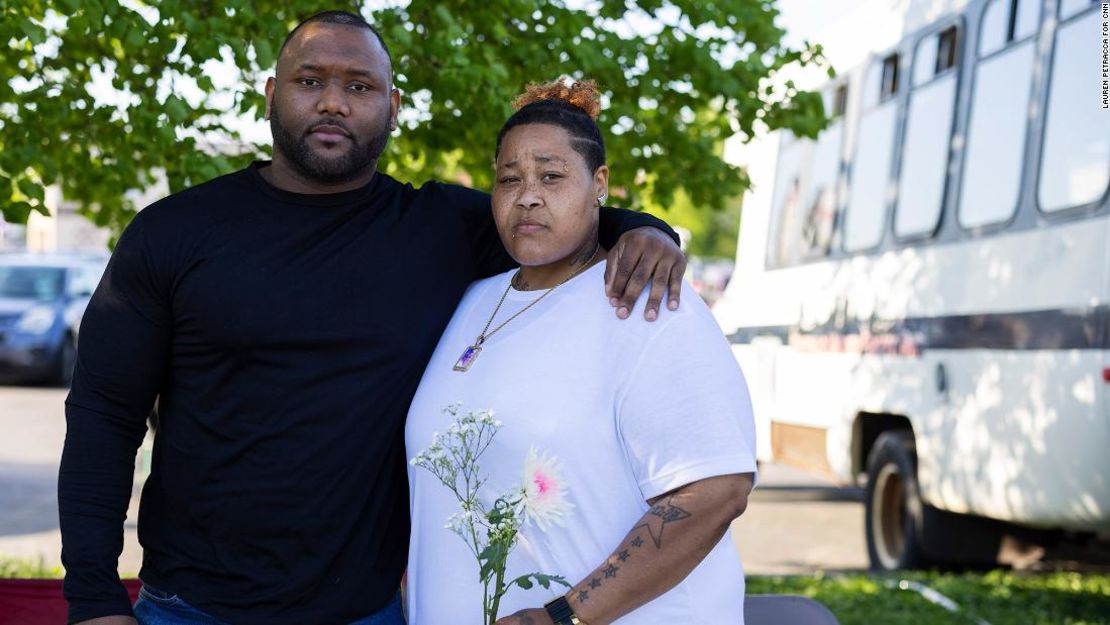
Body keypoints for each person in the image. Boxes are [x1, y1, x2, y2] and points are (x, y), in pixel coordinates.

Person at [58, 12, 686, 625]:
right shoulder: (173, 232)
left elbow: (560, 214)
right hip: (188, 608)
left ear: (393, 107)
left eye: (359, 86)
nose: (333, 102)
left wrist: (651, 231)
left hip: (366, 610)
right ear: (273, 95)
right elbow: (103, 416)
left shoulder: (440, 228)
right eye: (310, 82)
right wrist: (94, 601)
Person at [404, 80, 757, 625]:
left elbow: (716, 489)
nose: (528, 195)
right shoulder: (472, 300)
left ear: (599, 184)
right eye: (509, 179)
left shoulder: (649, 304)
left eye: (551, 176)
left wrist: (568, 616)